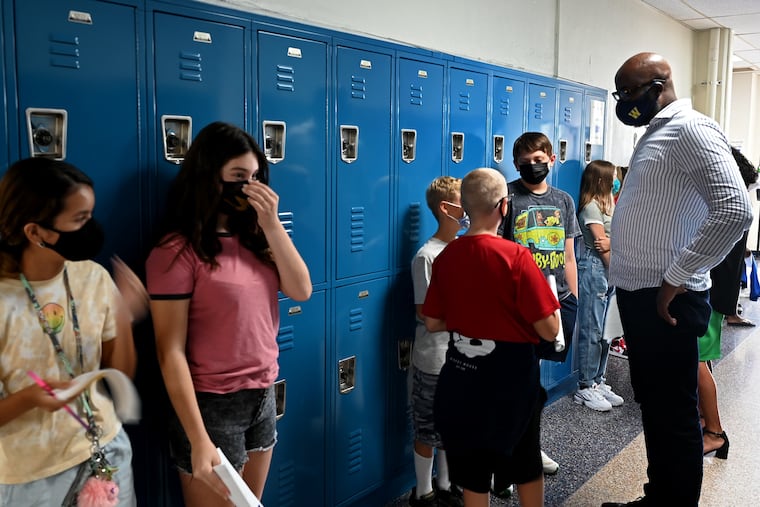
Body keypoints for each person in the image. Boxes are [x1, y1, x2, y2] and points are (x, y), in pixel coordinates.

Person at [602, 53, 753, 507]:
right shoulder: (657, 133)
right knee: (658, 407)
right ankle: (660, 496)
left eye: (629, 92)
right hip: (642, 296)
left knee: (672, 413)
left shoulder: (690, 128)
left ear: (658, 84)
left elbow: (734, 208)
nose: (624, 101)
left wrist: (677, 276)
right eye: (620, 94)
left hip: (665, 298)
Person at [145, 121, 312, 506]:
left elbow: (301, 289)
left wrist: (270, 222)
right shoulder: (177, 251)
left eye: (255, 176)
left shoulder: (255, 239)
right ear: (209, 177)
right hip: (210, 405)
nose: (250, 186)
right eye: (239, 177)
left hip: (262, 394)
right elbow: (169, 351)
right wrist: (198, 438)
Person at [0, 157, 145, 506]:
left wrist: (124, 316)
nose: (91, 228)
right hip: (31, 478)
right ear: (35, 232)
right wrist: (31, 398)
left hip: (105, 451)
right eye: (80, 219)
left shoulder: (92, 276)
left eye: (90, 215)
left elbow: (120, 371)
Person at [423, 168, 560, 507]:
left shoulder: (445, 257)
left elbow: (433, 321)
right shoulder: (517, 257)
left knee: (473, 473)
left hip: (461, 379)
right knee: (526, 464)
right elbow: (549, 329)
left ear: (465, 207)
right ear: (504, 207)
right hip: (511, 384)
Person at [499, 131, 582, 474]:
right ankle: (512, 449)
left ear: (551, 159)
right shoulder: (507, 197)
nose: (533, 166)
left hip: (556, 301)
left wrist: (572, 299)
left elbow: (569, 255)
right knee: (516, 380)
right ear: (516, 163)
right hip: (518, 305)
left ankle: (529, 444)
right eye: (525, 162)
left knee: (535, 380)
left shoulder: (563, 200)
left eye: (539, 160)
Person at [697, 146, 758, 460]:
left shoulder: (726, 204)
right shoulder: (736, 201)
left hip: (708, 293)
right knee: (702, 362)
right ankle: (708, 422)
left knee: (697, 364)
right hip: (717, 293)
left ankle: (715, 433)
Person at [409, 176, 465, 507]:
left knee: (450, 425)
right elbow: (425, 314)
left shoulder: (462, 248)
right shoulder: (427, 256)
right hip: (433, 358)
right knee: (428, 428)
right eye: (463, 200)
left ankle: (444, 483)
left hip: (458, 356)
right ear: (446, 208)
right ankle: (422, 490)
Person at [573, 160, 624, 412]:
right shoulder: (590, 207)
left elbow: (616, 240)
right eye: (613, 176)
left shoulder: (609, 205)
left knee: (606, 332)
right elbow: (600, 243)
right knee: (592, 329)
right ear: (602, 180)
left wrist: (614, 246)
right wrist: (614, 259)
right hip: (595, 268)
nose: (617, 180)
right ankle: (585, 386)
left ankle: (598, 380)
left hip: (609, 268)